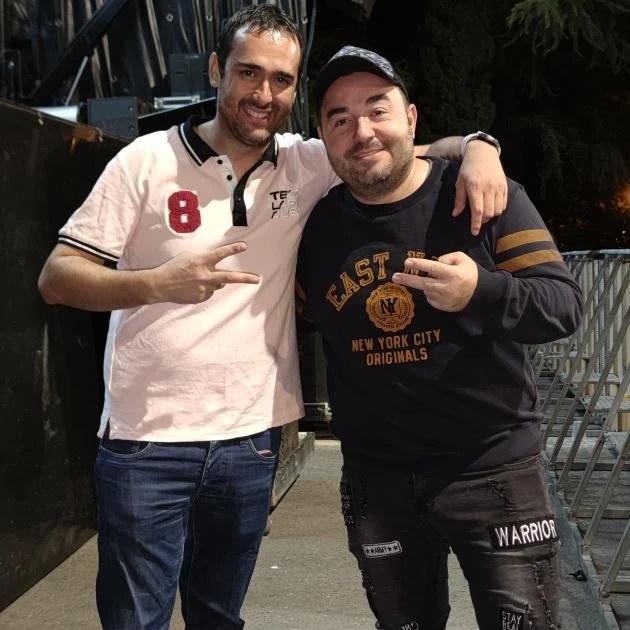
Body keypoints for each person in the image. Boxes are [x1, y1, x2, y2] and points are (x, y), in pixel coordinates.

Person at [37, 5, 506, 629]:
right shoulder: (145, 161)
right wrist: (155, 283)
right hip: (145, 441)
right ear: (216, 70)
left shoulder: (305, 163)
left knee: (219, 614)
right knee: (134, 620)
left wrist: (479, 148)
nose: (263, 94)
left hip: (251, 441)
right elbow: (57, 278)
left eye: (281, 80)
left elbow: (401, 150)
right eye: (248, 73)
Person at [296, 45, 583, 630]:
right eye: (340, 119)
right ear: (323, 138)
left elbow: (563, 307)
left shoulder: (482, 195)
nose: (362, 132)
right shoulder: (315, 228)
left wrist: (482, 291)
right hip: (377, 481)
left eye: (377, 110)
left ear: (411, 119)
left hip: (495, 471)